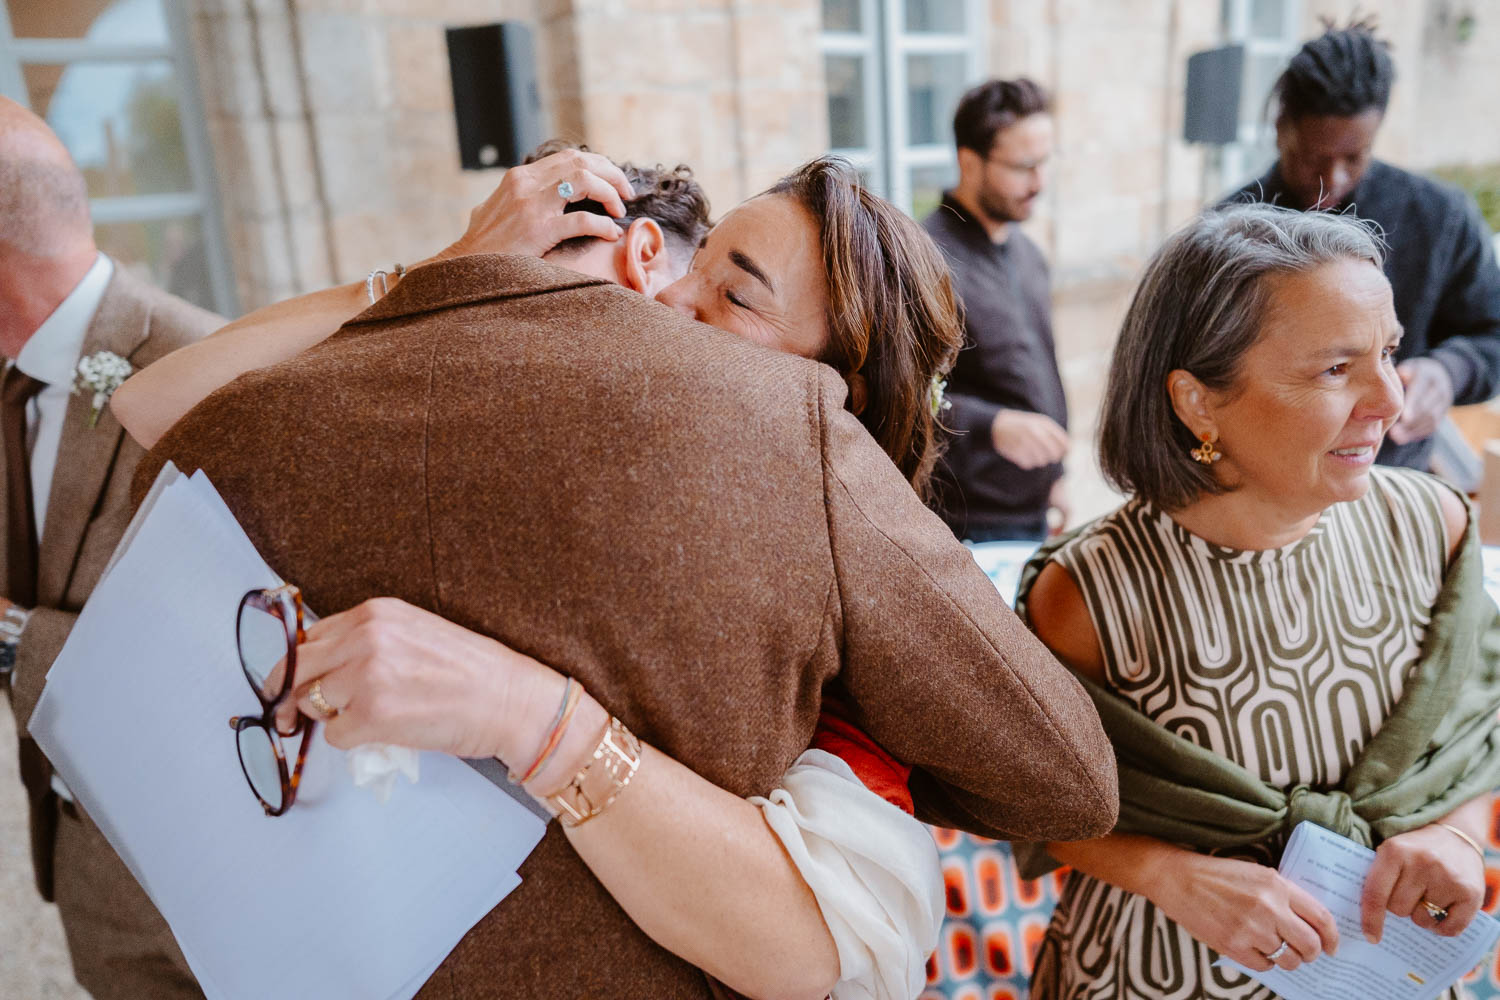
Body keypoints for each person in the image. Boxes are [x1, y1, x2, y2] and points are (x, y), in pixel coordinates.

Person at [122, 151, 1119, 999]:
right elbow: (150, 405)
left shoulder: (796, 459)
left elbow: (1062, 774)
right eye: (699, 261)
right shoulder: (562, 412)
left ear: (839, 389)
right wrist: (440, 275)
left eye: (734, 296)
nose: (669, 297)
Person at [1014, 203, 1499, 1000]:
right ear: (1199, 401)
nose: (1390, 398)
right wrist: (1169, 875)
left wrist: (1457, 838)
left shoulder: (1435, 526)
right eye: (1337, 370)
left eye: (1389, 353)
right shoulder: (1090, 593)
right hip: (1154, 975)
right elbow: (1031, 801)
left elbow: (1467, 743)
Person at [0, 97, 216, 999]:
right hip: (83, 865)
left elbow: (242, 651)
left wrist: (13, 637)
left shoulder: (201, 369)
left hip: (210, 873)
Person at [1224, 19, 1500, 472]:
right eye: (1314, 158)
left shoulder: (1440, 217)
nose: (1332, 181)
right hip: (1260, 488)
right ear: (1280, 129)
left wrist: (1450, 371)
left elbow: (1492, 333)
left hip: (1391, 481)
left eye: (1354, 158)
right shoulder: (1227, 231)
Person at [923, 77, 1069, 541]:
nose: (1039, 182)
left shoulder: (1028, 253)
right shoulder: (925, 260)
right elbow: (900, 395)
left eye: (1045, 162)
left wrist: (1056, 477)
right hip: (965, 524)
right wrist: (992, 425)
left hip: (1032, 514)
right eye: (1023, 167)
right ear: (970, 161)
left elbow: (1036, 375)